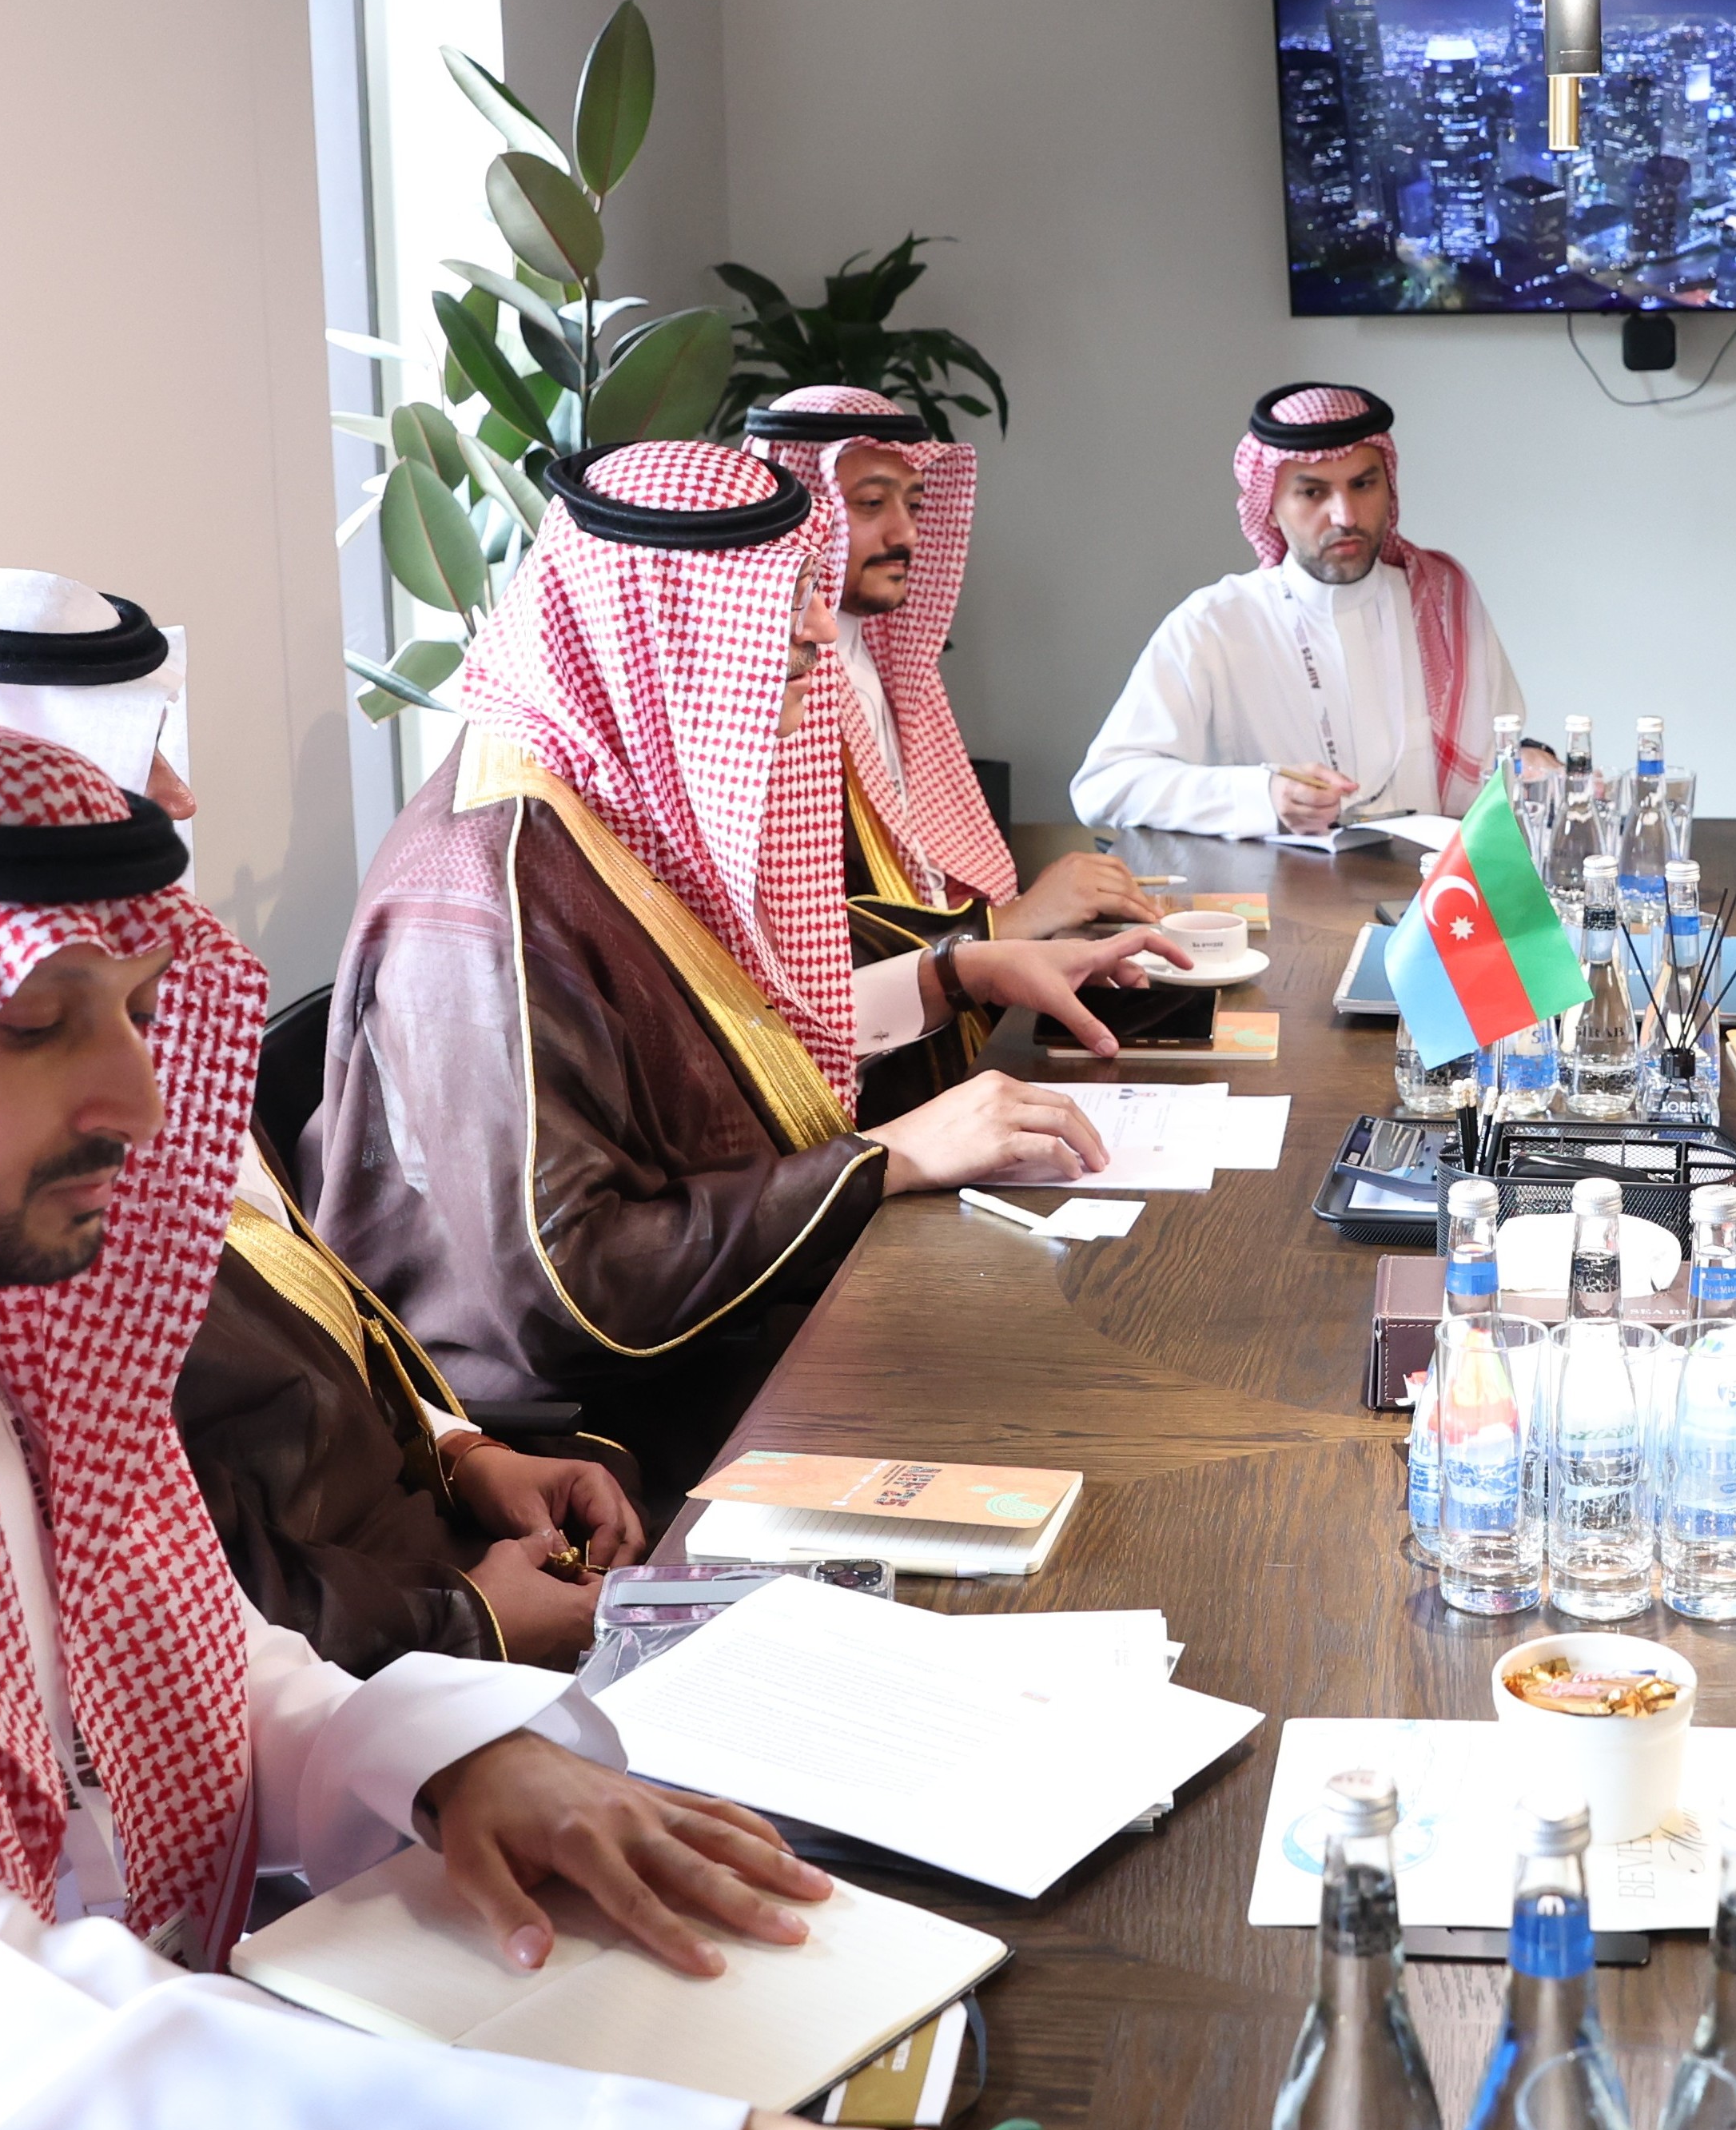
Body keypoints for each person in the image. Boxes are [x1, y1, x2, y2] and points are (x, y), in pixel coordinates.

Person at [0, 713, 994, 2130]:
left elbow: (186, 1662)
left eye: (139, 1009)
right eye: (39, 1024)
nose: (141, 1100)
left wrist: (449, 1761)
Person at [310, 439, 1180, 1492]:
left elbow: (723, 1025)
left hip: (734, 1333)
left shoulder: (605, 790)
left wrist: (956, 973)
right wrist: (884, 1157)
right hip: (601, 1436)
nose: (818, 628)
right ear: (663, 624)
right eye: (782, 596)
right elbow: (576, 1290)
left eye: (811, 586)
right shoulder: (492, 895)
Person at [0, 567, 635, 1672]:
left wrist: (459, 1452)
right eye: (138, 746)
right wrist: (468, 1623)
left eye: (139, 1012)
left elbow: (306, 1326)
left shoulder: (122, 1060)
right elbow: (190, 1613)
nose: (180, 793)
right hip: (396, 1638)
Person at [749, 386, 1165, 1114]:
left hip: (948, 1039)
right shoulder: (775, 692)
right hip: (858, 1095)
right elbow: (806, 949)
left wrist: (1024, 934)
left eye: (913, 502)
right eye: (870, 504)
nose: (906, 532)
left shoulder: (888, 660)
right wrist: (1013, 924)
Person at [1070, 380, 1527, 838]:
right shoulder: (1214, 624)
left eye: (1363, 485)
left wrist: (1534, 761)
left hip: (1434, 880)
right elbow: (1104, 787)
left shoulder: (1443, 602)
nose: (1345, 516)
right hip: (1277, 882)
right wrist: (1263, 795)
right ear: (1269, 507)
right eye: (1312, 493)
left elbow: (1502, 756)